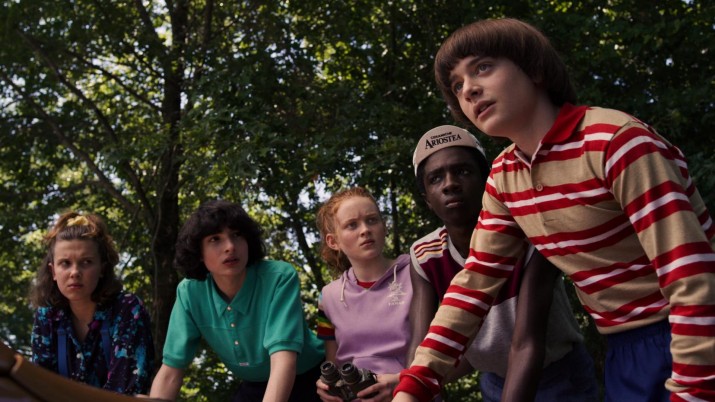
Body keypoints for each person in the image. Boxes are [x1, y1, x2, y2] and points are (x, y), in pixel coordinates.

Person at [394, 18, 715, 402]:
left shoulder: (615, 141)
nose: (469, 89)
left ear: (534, 69)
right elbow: (474, 284)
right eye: (457, 86)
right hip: (622, 346)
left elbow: (690, 273)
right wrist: (415, 384)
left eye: (482, 67)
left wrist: (696, 388)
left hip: (694, 328)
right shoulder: (505, 177)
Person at [410, 124, 598, 401]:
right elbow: (422, 347)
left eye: (463, 171)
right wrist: (411, 389)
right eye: (436, 178)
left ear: (487, 181)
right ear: (426, 199)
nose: (450, 184)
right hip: (495, 381)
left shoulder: (530, 231)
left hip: (559, 376)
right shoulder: (425, 256)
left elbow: (527, 345)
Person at [149, 200, 324, 402]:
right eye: (215, 239)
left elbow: (284, 362)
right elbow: (171, 372)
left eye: (237, 235)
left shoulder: (278, 277)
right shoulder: (189, 292)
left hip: (311, 378)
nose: (230, 247)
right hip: (255, 385)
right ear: (198, 252)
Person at [314, 187, 432, 402]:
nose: (365, 230)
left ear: (384, 226)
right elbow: (333, 362)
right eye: (352, 225)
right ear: (333, 242)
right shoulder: (328, 297)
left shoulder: (418, 272)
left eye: (372, 220)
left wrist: (403, 382)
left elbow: (451, 350)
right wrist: (326, 386)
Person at [29, 211, 154, 395]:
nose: (75, 272)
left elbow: (126, 392)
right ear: (53, 271)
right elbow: (40, 388)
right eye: (65, 263)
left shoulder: (127, 310)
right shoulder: (47, 317)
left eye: (86, 262)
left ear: (102, 268)